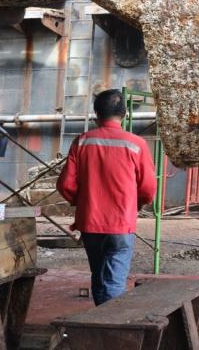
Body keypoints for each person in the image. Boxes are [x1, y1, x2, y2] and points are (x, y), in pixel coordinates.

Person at [57, 89, 156, 305]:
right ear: (124, 114)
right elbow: (149, 188)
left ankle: (102, 327)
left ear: (96, 114)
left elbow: (65, 184)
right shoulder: (136, 144)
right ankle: (110, 329)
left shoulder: (82, 142)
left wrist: (81, 201)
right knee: (113, 283)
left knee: (99, 279)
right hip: (121, 224)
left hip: (90, 223)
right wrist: (135, 204)